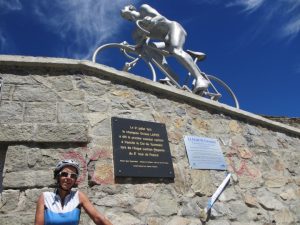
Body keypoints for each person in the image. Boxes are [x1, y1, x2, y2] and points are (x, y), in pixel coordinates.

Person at [121, 4, 209, 93]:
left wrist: (153, 20)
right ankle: (172, 76)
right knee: (147, 48)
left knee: (176, 50)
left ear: (131, 8)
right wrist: (128, 48)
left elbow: (161, 17)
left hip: (173, 28)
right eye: (124, 17)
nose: (123, 14)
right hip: (165, 42)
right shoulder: (136, 33)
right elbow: (139, 49)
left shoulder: (143, 9)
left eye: (124, 10)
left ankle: (200, 79)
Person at [34, 159, 113, 225]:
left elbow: (98, 218)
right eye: (64, 174)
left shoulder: (78, 196)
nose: (68, 178)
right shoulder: (45, 197)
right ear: (57, 176)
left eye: (73, 176)